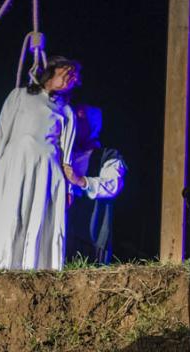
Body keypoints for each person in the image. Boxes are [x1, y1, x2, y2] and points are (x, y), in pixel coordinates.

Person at [0, 56, 81, 274]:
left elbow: (67, 154)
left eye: (73, 78)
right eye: (67, 73)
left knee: (37, 215)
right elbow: (2, 133)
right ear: (53, 70)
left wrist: (68, 187)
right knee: (9, 211)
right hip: (16, 164)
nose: (69, 79)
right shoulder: (20, 96)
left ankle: (33, 268)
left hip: (46, 170)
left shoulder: (66, 112)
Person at [63, 104, 126, 264]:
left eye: (80, 120)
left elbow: (113, 185)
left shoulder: (107, 155)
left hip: (92, 238)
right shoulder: (65, 155)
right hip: (66, 233)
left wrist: (80, 181)